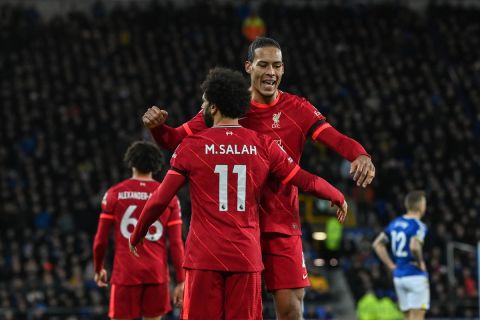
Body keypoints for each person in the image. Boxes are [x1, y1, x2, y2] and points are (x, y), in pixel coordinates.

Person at [141, 37, 374, 319]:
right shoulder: (230, 106)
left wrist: (360, 154)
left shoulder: (297, 108)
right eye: (263, 64)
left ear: (283, 69)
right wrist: (157, 128)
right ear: (249, 66)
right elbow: (174, 139)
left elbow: (334, 138)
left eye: (277, 66)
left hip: (281, 223)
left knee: (290, 309)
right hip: (236, 226)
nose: (270, 72)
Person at [92, 141, 185, 320]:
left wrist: (99, 268)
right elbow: (176, 243)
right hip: (156, 274)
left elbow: (100, 240)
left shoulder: (114, 193)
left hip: (126, 273)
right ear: (156, 165)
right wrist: (181, 280)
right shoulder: (168, 196)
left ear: (131, 162)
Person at [372, 190, 429, 320]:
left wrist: (391, 265)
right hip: (415, 275)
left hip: (399, 277)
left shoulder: (395, 224)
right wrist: (420, 263)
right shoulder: (418, 225)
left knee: (407, 317)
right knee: (418, 317)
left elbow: (377, 244)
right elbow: (414, 246)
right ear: (420, 205)